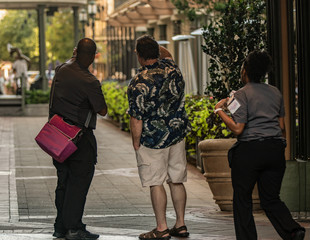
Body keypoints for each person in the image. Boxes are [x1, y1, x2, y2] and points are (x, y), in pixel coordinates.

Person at [214, 50, 305, 240]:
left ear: (245, 70)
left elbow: (238, 129)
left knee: (242, 199)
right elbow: (281, 127)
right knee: (271, 198)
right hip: (274, 149)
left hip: (250, 151)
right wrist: (281, 147)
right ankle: (293, 230)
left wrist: (219, 111)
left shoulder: (241, 94)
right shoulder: (275, 92)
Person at [127, 35, 191, 240]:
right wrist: (155, 48)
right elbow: (167, 54)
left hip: (152, 139)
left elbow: (136, 117)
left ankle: (161, 228)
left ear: (138, 55)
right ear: (157, 51)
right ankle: (180, 224)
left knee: (156, 182)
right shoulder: (174, 71)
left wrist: (135, 141)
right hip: (177, 134)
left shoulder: (138, 82)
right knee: (177, 180)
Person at [49, 38, 107, 240]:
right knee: (78, 183)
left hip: (57, 135)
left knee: (63, 181)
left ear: (75, 52)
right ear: (91, 56)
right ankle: (74, 228)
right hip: (80, 139)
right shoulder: (89, 80)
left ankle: (60, 227)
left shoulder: (61, 70)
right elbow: (102, 109)